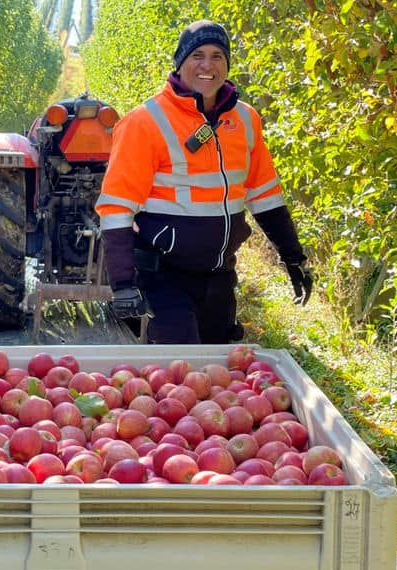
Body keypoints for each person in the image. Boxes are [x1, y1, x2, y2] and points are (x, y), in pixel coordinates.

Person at [95, 19, 312, 344]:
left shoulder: (245, 119)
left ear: (227, 63)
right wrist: (123, 283)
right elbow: (116, 207)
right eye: (197, 55)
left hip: (220, 275)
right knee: (179, 375)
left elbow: (265, 196)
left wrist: (293, 257)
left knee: (216, 377)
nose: (207, 65)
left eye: (217, 56)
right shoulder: (145, 122)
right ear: (180, 62)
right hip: (164, 276)